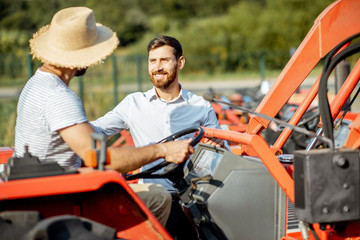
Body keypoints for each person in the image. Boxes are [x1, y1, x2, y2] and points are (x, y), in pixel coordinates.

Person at [14, 7, 195, 227]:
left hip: (47, 188)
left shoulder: (36, 83)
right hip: (63, 199)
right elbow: (100, 158)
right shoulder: (59, 97)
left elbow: (84, 140)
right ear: (81, 58)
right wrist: (163, 150)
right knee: (159, 198)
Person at [91, 35, 227, 239]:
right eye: (152, 61)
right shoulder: (133, 104)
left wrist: (217, 148)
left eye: (164, 60)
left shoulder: (200, 106)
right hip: (157, 195)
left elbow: (218, 153)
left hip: (194, 194)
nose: (157, 67)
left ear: (180, 62)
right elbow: (94, 131)